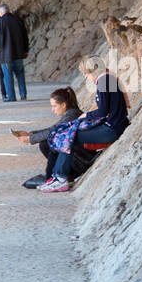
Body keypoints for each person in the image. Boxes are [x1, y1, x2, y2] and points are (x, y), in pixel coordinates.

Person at [39, 60, 129, 193]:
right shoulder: (107, 78)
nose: (86, 77)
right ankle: (58, 176)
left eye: (86, 73)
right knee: (69, 135)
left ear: (94, 71)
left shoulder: (104, 81)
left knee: (69, 136)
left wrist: (85, 116)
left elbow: (103, 111)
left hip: (112, 129)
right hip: (114, 124)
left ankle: (60, 179)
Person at [13, 88, 94, 189]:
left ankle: (55, 177)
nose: (53, 109)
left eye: (54, 106)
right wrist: (30, 134)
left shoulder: (72, 115)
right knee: (46, 142)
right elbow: (53, 129)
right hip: (78, 158)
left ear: (63, 105)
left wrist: (30, 139)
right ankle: (54, 176)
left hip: (81, 161)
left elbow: (53, 131)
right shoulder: (71, 113)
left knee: (47, 144)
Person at [0, 4, 30, 101]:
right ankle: (23, 94)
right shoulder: (18, 20)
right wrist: (26, 50)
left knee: (8, 76)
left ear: (0, 13)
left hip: (5, 54)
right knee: (20, 74)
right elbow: (25, 36)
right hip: (19, 53)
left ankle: (11, 96)